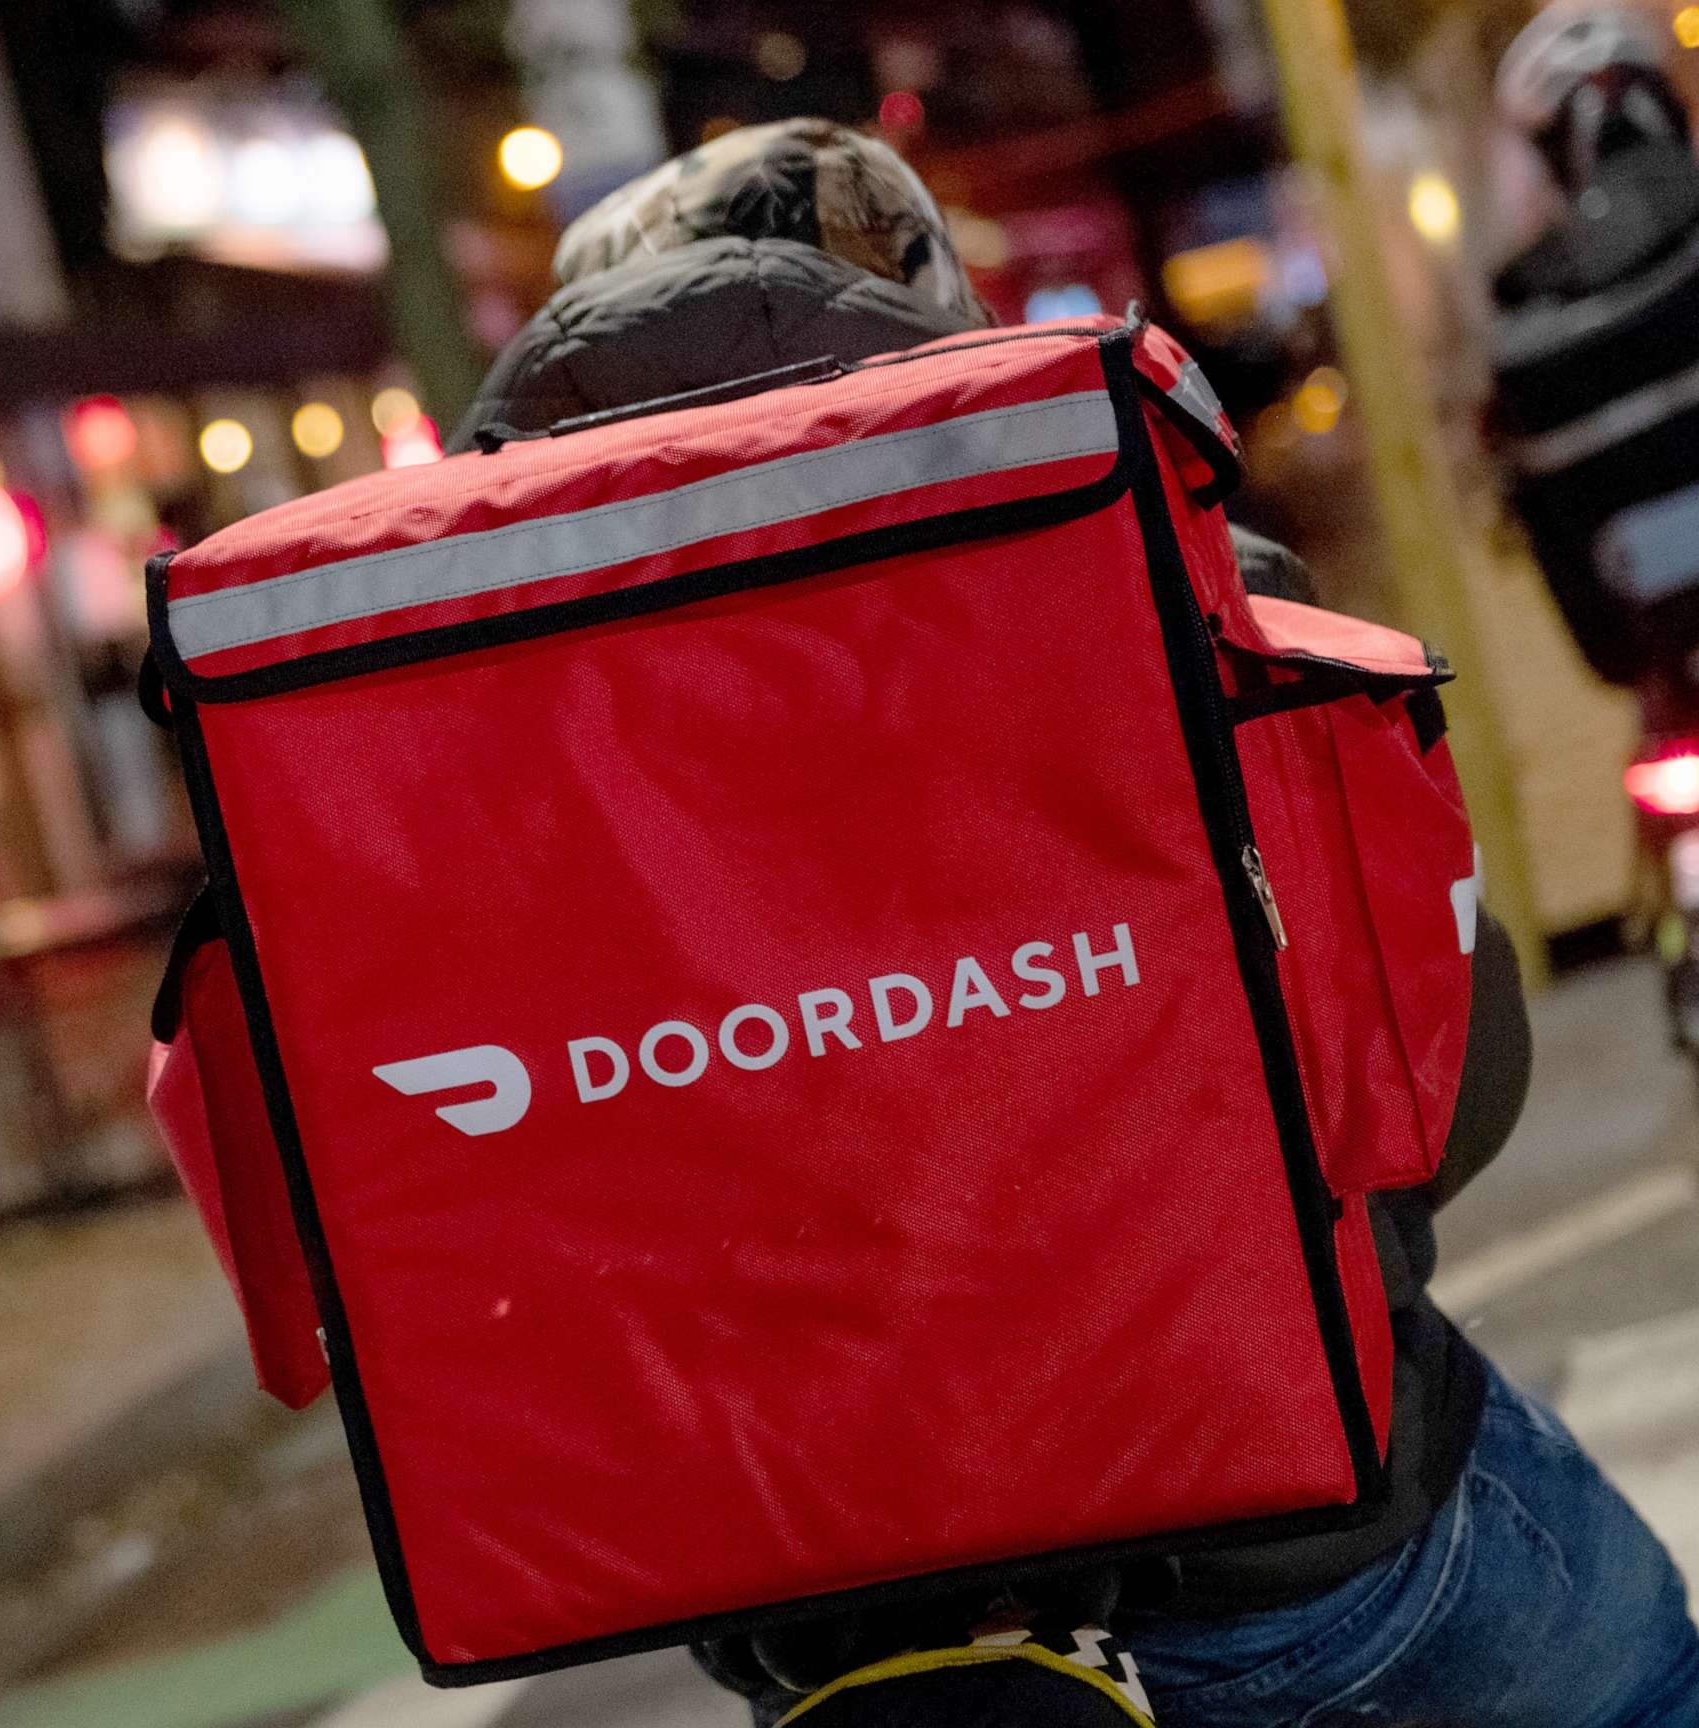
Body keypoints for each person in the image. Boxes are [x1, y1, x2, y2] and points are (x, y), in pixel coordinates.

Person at [461, 119, 1699, 1724]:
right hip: (1306, 1563)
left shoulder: (493, 755)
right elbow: (1450, 1086)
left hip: (862, 1666)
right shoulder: (1168, 579)